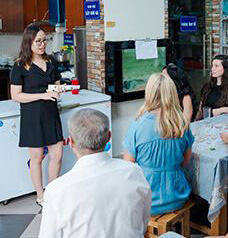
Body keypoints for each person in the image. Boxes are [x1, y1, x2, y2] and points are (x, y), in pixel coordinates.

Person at [38, 108, 152, 238]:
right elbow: (143, 222)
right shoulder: (133, 172)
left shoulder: (56, 190)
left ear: (71, 142)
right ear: (109, 137)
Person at [123, 73, 194, 215]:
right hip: (178, 195)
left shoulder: (137, 126)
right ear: (172, 94)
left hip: (148, 200)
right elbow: (186, 162)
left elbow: (128, 167)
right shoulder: (182, 124)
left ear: (149, 93)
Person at [10, 23, 63, 206]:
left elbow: (56, 85)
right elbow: (16, 96)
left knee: (57, 155)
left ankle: (53, 191)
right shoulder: (19, 66)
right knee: (37, 157)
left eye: (45, 40)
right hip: (32, 116)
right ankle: (40, 195)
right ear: (29, 43)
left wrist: (60, 89)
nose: (43, 44)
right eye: (38, 41)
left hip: (51, 114)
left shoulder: (51, 61)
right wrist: (43, 95)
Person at [195, 54, 228, 120]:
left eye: (217, 66)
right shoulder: (207, 86)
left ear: (225, 68)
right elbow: (200, 110)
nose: (213, 69)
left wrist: (221, 110)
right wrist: (195, 122)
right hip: (206, 124)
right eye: (212, 66)